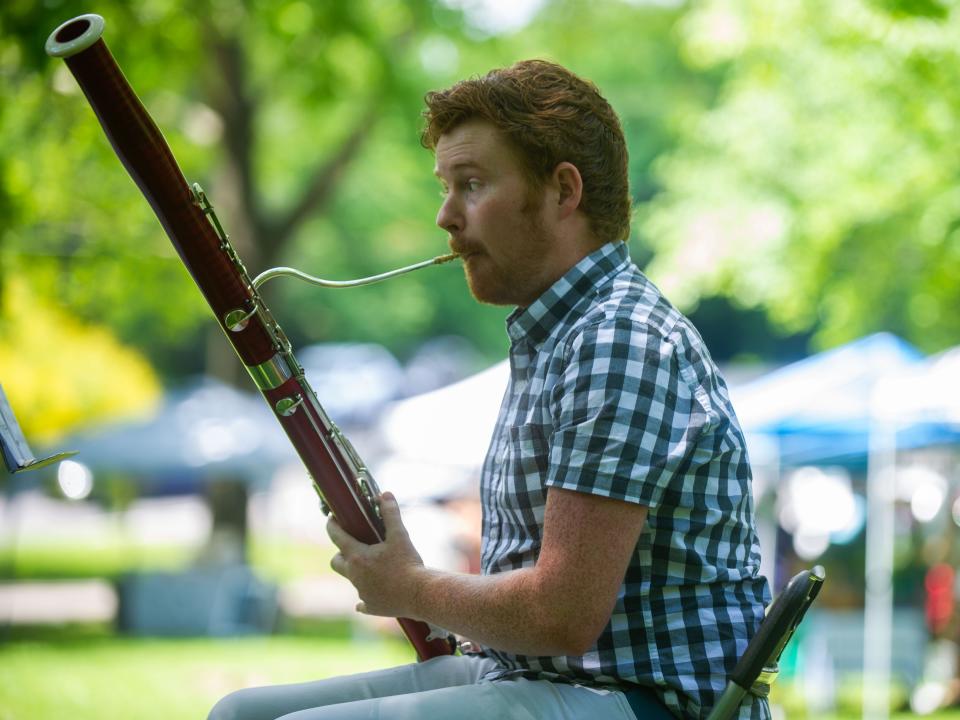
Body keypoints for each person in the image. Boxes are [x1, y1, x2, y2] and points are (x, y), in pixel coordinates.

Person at [209, 59, 770, 720]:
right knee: (240, 714)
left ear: (564, 192)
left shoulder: (618, 339)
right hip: (549, 679)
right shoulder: (558, 335)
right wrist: (416, 583)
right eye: (446, 187)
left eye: (471, 185)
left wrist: (412, 587)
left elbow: (561, 617)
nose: (445, 216)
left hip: (644, 703)